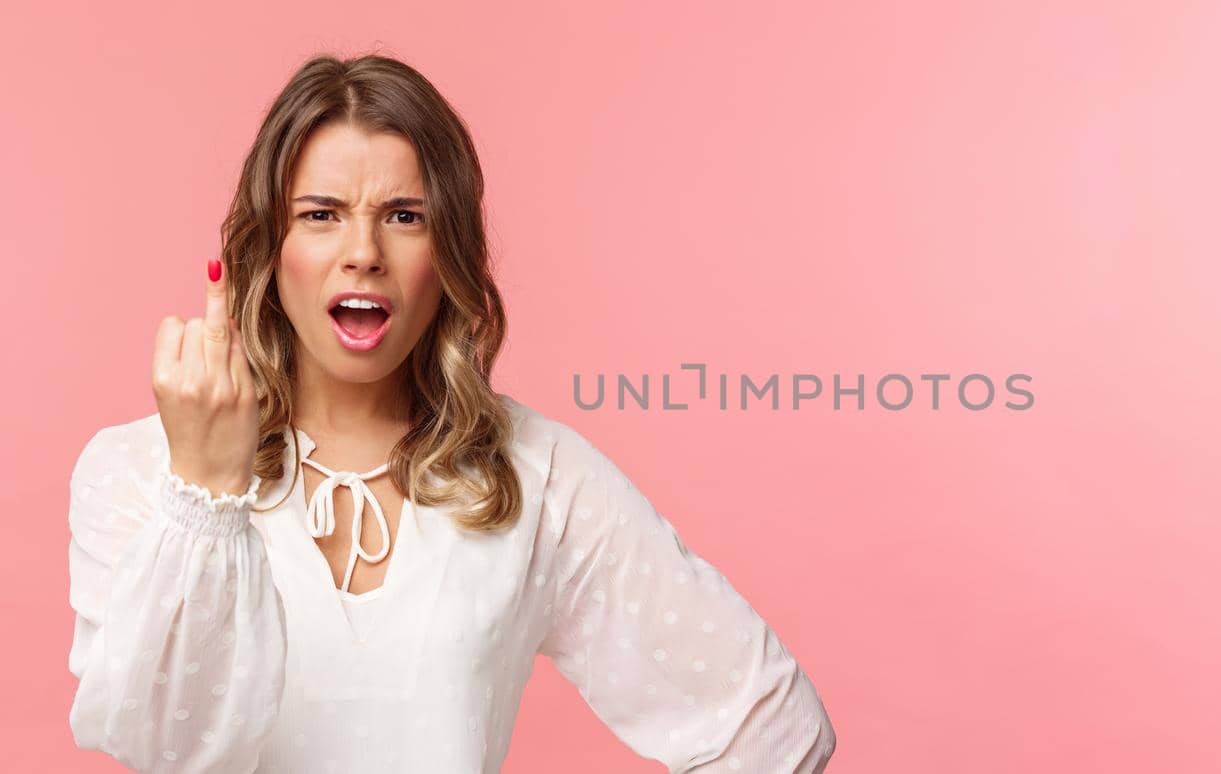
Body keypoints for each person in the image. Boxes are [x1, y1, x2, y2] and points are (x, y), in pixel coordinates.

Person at [64, 53, 836, 773]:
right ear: (269, 247)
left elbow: (768, 724)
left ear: (450, 252)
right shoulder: (131, 472)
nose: (363, 251)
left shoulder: (538, 476)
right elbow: (158, 744)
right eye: (321, 214)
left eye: (405, 216)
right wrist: (206, 489)